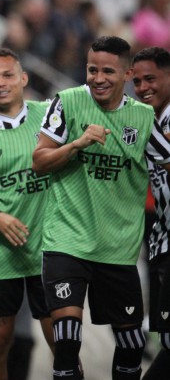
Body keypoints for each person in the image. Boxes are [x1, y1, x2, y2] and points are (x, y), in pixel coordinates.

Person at [32, 36, 170, 380]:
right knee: (66, 339)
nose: (98, 78)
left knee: (130, 345)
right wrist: (76, 144)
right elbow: (39, 161)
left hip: (117, 249)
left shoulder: (143, 118)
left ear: (127, 74)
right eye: (92, 69)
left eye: (108, 71)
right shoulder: (67, 103)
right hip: (67, 240)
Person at [0, 48, 54, 380]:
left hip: (49, 250)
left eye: (7, 75)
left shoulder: (50, 117)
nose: (0, 83)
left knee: (63, 343)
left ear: (24, 78)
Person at [130, 46, 170, 379]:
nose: (143, 87)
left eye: (151, 79)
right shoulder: (151, 118)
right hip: (161, 236)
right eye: (138, 81)